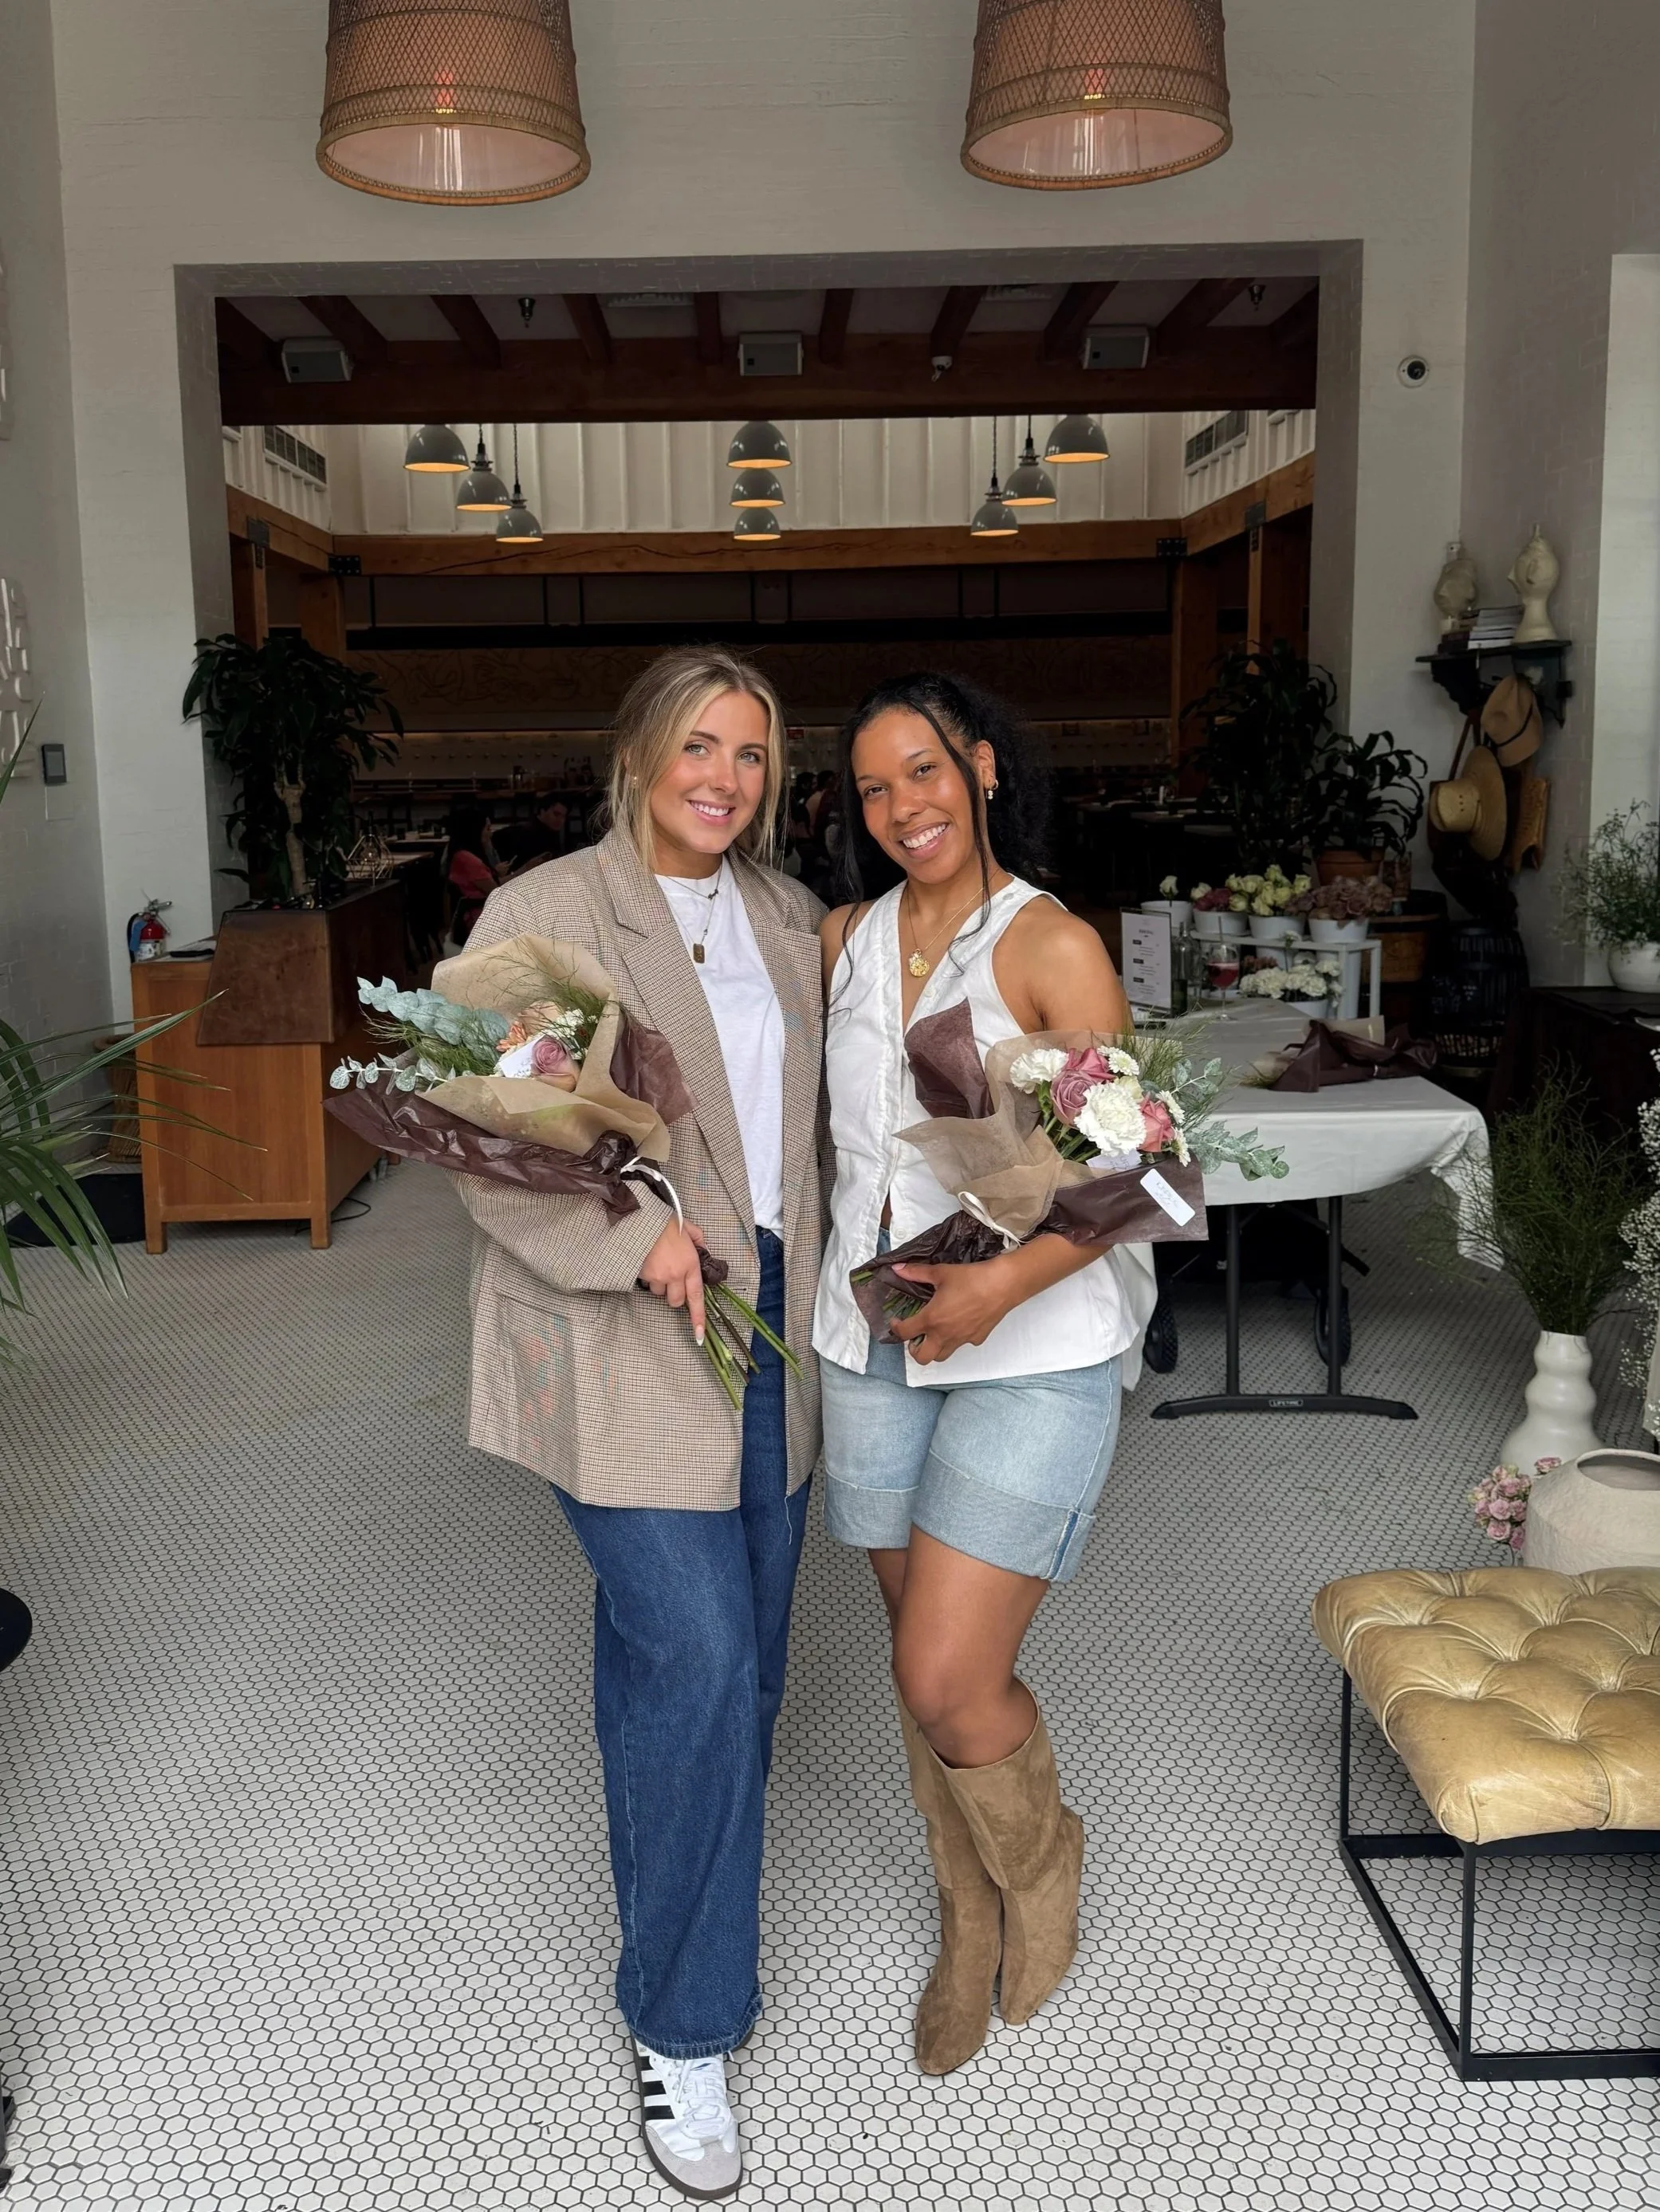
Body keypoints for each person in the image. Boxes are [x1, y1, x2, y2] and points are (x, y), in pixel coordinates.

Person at [455, 648, 824, 2201]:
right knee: (706, 1654)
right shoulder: (542, 911)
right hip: (625, 1331)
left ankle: (669, 1910)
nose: (723, 776)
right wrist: (636, 1227)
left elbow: (842, 1110)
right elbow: (494, 1118)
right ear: (637, 753)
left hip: (775, 1332)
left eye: (750, 752)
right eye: (698, 743)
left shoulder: (793, 918)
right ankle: (684, 2024)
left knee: (708, 1667)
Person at [814, 671, 1140, 2078]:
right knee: (912, 1661)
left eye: (926, 773)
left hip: (1032, 1344)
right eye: (876, 789)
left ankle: (1042, 1864)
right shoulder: (841, 937)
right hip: (870, 1336)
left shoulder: (1050, 944)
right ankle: (965, 1912)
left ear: (986, 769)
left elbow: (1136, 1167)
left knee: (953, 1673)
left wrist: (998, 1286)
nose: (904, 808)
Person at [444, 802, 502, 942]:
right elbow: (496, 891)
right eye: (487, 828)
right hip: (476, 922)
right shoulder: (468, 860)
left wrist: (523, 870)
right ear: (475, 830)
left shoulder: (462, 854)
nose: (490, 833)